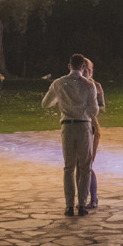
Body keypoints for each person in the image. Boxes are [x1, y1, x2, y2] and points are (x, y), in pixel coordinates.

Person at [41, 53, 100, 216]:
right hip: (84, 125)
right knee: (85, 167)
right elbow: (95, 110)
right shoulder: (89, 85)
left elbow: (45, 104)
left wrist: (60, 101)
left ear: (69, 66)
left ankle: (68, 205)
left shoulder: (59, 83)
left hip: (67, 126)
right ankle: (81, 205)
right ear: (83, 67)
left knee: (69, 167)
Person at [82, 58, 104, 210]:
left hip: (91, 126)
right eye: (81, 68)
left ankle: (93, 198)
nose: (83, 71)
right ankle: (82, 198)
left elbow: (101, 108)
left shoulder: (95, 86)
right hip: (78, 126)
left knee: (87, 164)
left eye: (86, 69)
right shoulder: (72, 84)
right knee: (79, 165)